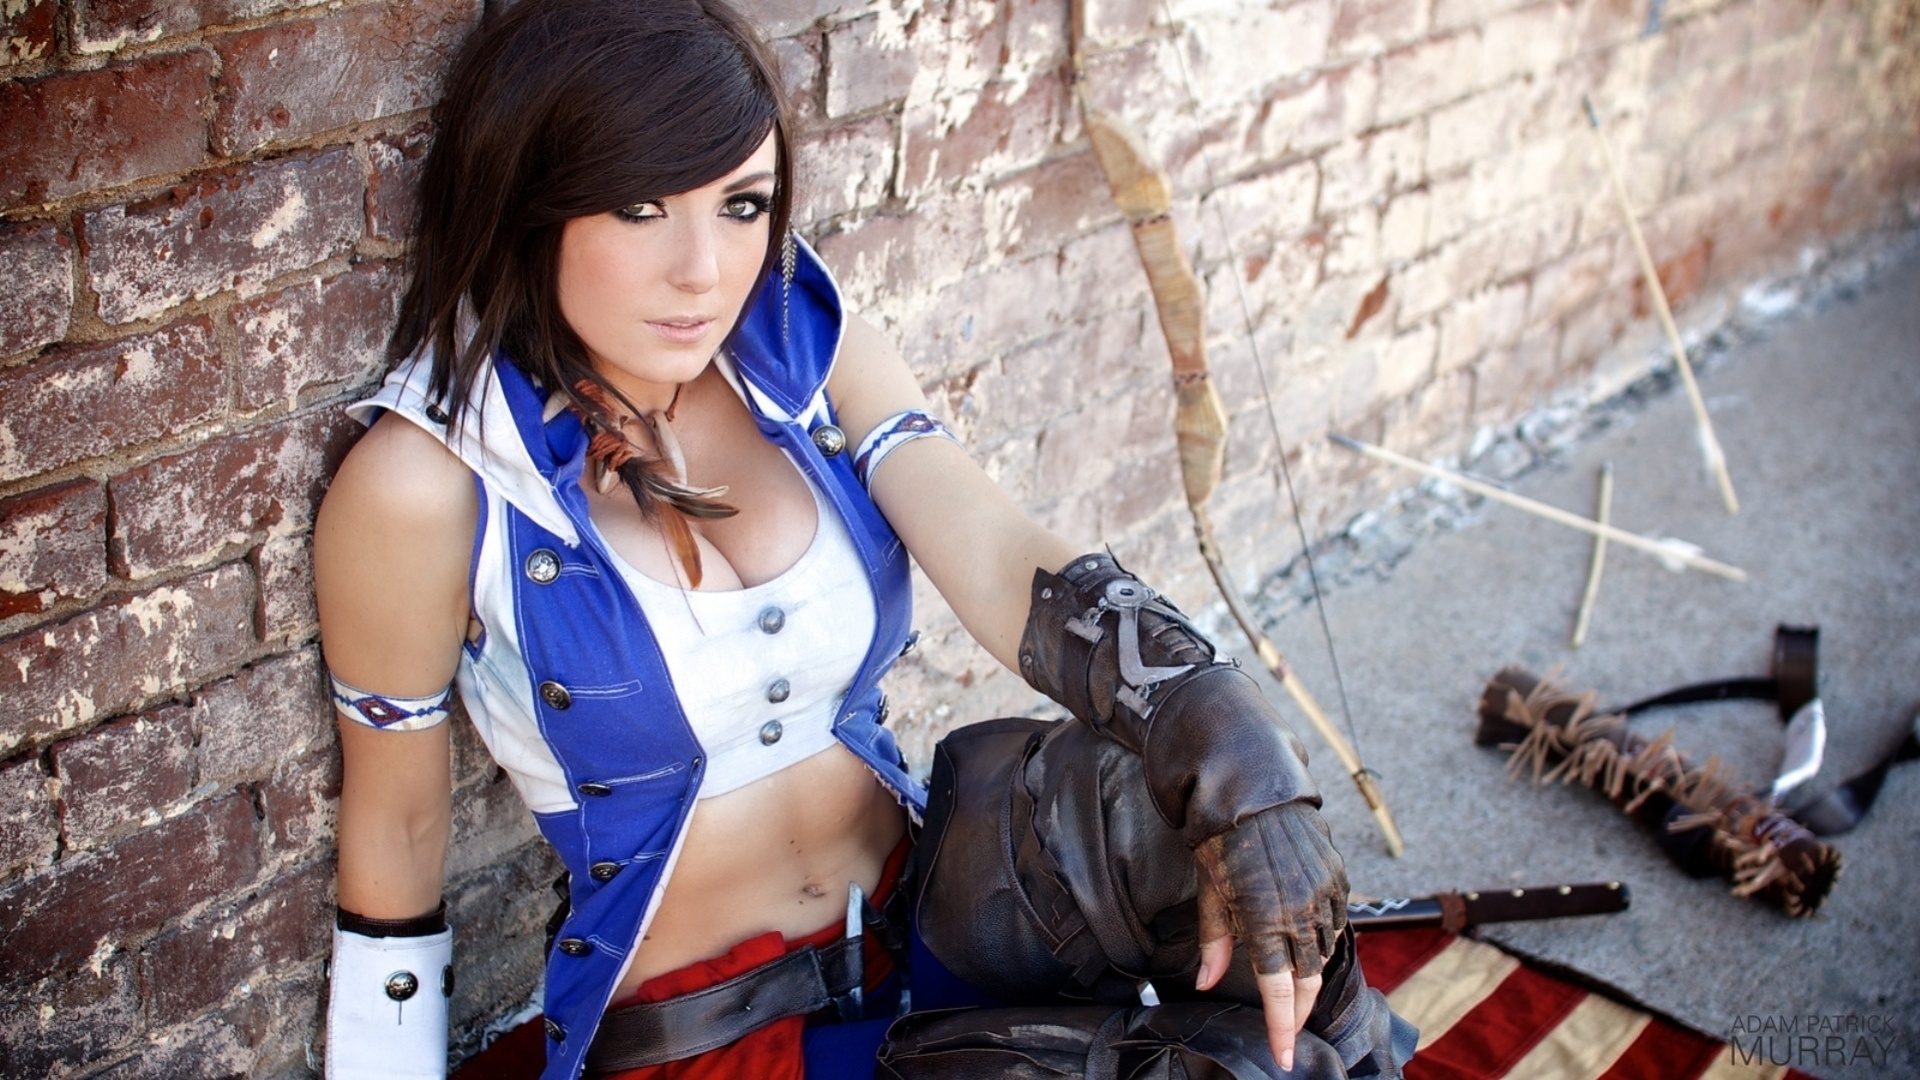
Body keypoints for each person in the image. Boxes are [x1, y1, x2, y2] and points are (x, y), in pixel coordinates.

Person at [313, 1, 1414, 1077]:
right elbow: (396, 841)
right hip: (715, 1037)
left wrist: (1232, 747)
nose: (704, 269)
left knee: (1190, 821)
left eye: (741, 205)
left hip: (932, 919)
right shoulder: (426, 484)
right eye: (640, 208)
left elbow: (995, 550)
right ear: (526, 203)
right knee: (1213, 1071)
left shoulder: (804, 354)